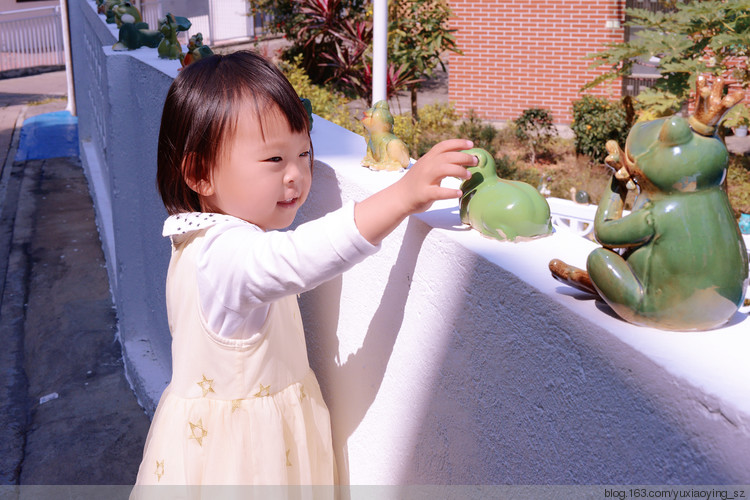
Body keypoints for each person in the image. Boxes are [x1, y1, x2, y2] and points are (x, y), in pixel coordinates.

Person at [133, 50, 476, 487]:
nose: (296, 174)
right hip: (243, 467)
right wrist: (403, 195)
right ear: (201, 175)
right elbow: (300, 256)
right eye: (274, 160)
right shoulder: (224, 256)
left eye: (304, 152)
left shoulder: (197, 238)